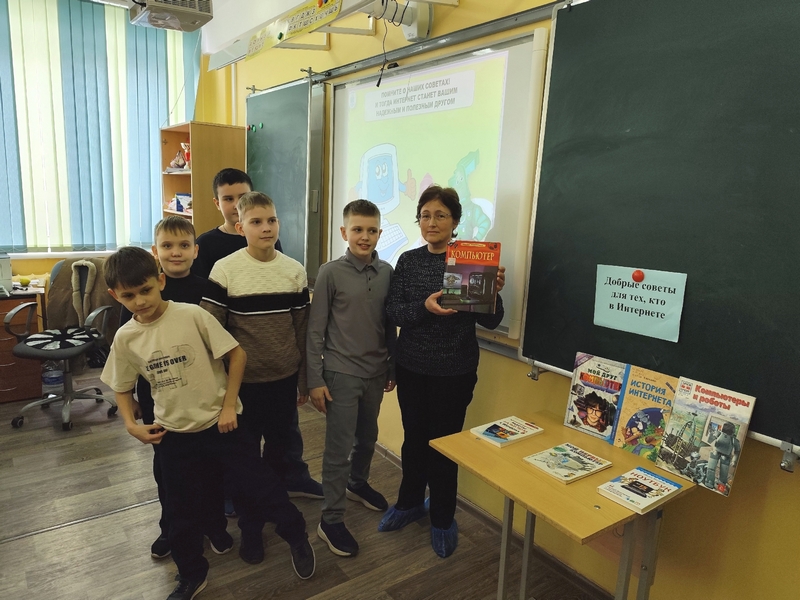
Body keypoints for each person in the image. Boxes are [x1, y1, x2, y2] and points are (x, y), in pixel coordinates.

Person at [100, 247, 315, 600]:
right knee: (180, 514)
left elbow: (237, 354)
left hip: (222, 426)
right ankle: (191, 575)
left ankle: (296, 536)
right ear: (115, 296)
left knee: (263, 488)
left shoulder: (192, 315)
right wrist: (129, 424)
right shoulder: (126, 338)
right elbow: (121, 386)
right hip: (174, 436)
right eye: (129, 296)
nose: (140, 301)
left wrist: (230, 405)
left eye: (146, 290)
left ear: (160, 281)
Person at [378, 185, 505, 559]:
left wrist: (493, 292)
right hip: (412, 367)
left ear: (455, 221)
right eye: (425, 215)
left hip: (455, 370)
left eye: (440, 215)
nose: (431, 222)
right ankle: (409, 503)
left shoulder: (470, 259)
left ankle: (443, 518)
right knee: (414, 439)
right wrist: (424, 307)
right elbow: (394, 311)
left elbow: (492, 321)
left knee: (445, 445)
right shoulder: (408, 261)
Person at [192, 168, 320, 503]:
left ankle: (277, 499)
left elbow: (301, 328)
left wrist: (303, 379)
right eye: (256, 222)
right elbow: (211, 328)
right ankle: (247, 506)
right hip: (243, 382)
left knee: (281, 445)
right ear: (241, 228)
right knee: (244, 450)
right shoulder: (225, 269)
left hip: (283, 378)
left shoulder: (294, 270)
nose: (266, 228)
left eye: (272, 220)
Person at [119, 216, 229, 561]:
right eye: (167, 246)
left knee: (210, 467)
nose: (176, 252)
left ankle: (215, 525)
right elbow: (128, 351)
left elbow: (223, 346)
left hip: (203, 397)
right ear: (156, 251)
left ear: (196, 250)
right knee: (167, 471)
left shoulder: (210, 290)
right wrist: (133, 400)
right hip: (158, 399)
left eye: (183, 245)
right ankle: (171, 527)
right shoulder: (140, 292)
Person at [306, 199, 396, 558]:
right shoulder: (330, 272)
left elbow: (389, 324)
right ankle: (330, 519)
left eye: (372, 230)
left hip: (376, 372)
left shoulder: (387, 271)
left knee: (368, 438)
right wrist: (315, 379)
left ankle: (358, 484)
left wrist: (391, 366)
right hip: (340, 374)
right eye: (357, 229)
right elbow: (315, 331)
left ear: (379, 233)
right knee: (338, 449)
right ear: (344, 232)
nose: (365, 236)